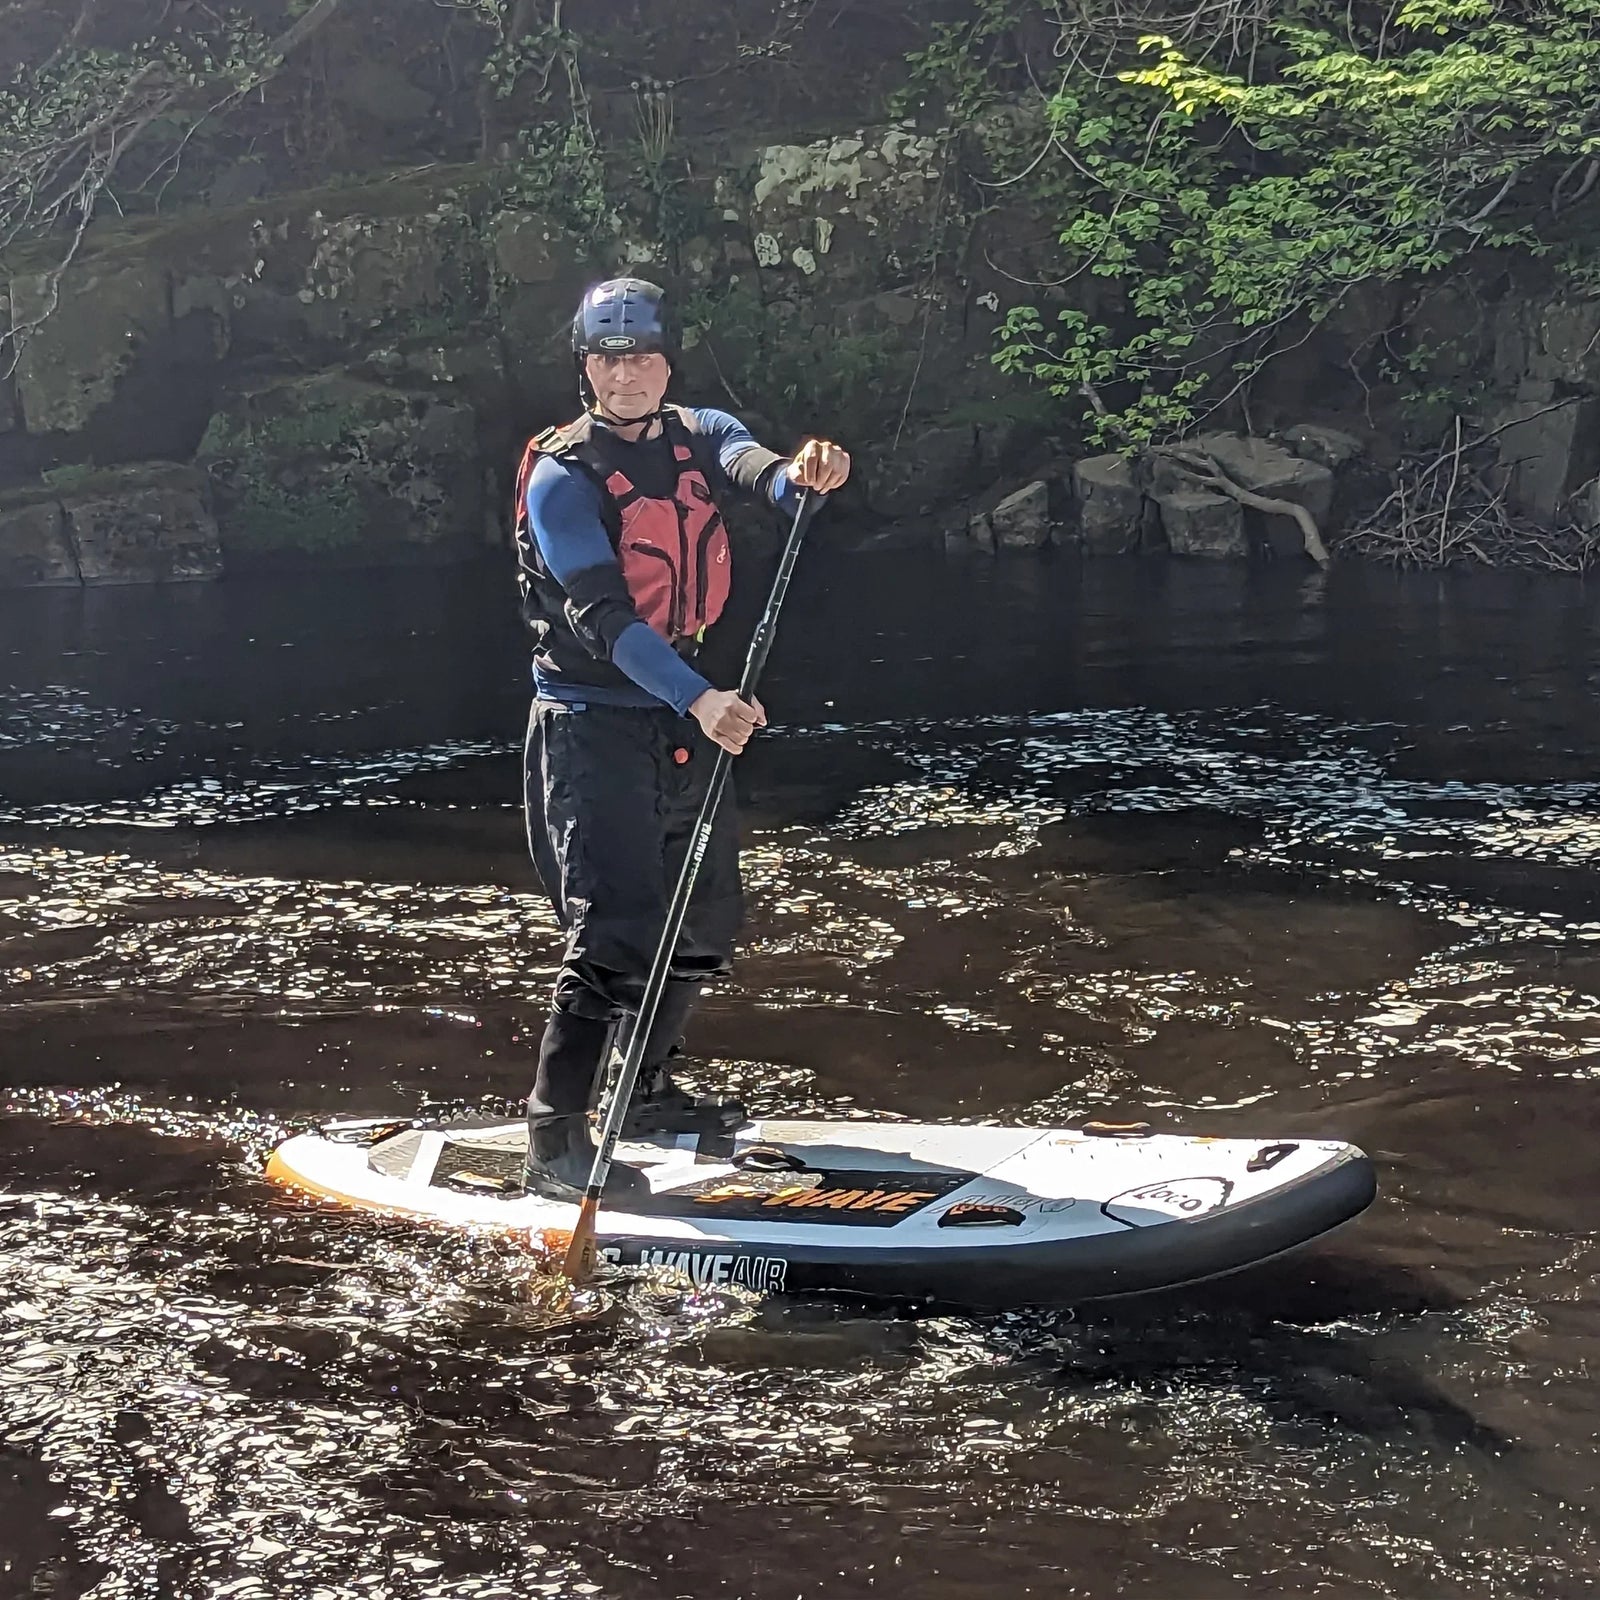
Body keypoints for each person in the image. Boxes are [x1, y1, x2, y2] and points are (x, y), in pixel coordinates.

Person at [512, 277, 851, 1200]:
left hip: (681, 719)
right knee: (615, 931)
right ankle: (555, 1135)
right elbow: (603, 618)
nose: (628, 374)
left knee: (701, 923)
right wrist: (702, 700)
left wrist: (804, 472)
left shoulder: (700, 429)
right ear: (585, 368)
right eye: (608, 359)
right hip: (593, 727)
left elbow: (762, 472)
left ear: (667, 361)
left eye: (644, 357)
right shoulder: (561, 475)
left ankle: (647, 1093)